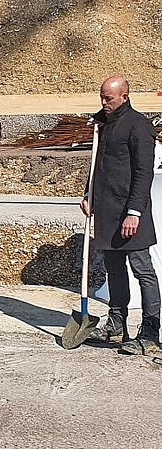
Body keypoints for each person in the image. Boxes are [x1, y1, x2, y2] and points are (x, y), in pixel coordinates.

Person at [82, 75, 160, 354]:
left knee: (143, 270)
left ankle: (150, 332)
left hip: (130, 212)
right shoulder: (102, 125)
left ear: (124, 96)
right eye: (101, 97)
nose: (104, 103)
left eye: (109, 98)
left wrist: (134, 212)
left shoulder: (139, 126)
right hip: (106, 212)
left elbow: (143, 173)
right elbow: (97, 164)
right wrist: (88, 194)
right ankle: (117, 326)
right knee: (114, 270)